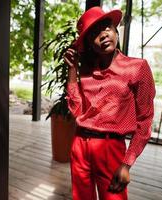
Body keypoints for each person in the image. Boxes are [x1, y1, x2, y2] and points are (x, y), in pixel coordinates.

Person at [63, 6, 155, 200]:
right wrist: (72, 70)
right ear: (88, 43)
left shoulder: (137, 68)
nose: (103, 35)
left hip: (111, 148)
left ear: (115, 31)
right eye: (94, 33)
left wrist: (127, 163)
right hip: (80, 144)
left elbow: (145, 121)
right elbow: (77, 110)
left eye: (107, 27)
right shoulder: (87, 70)